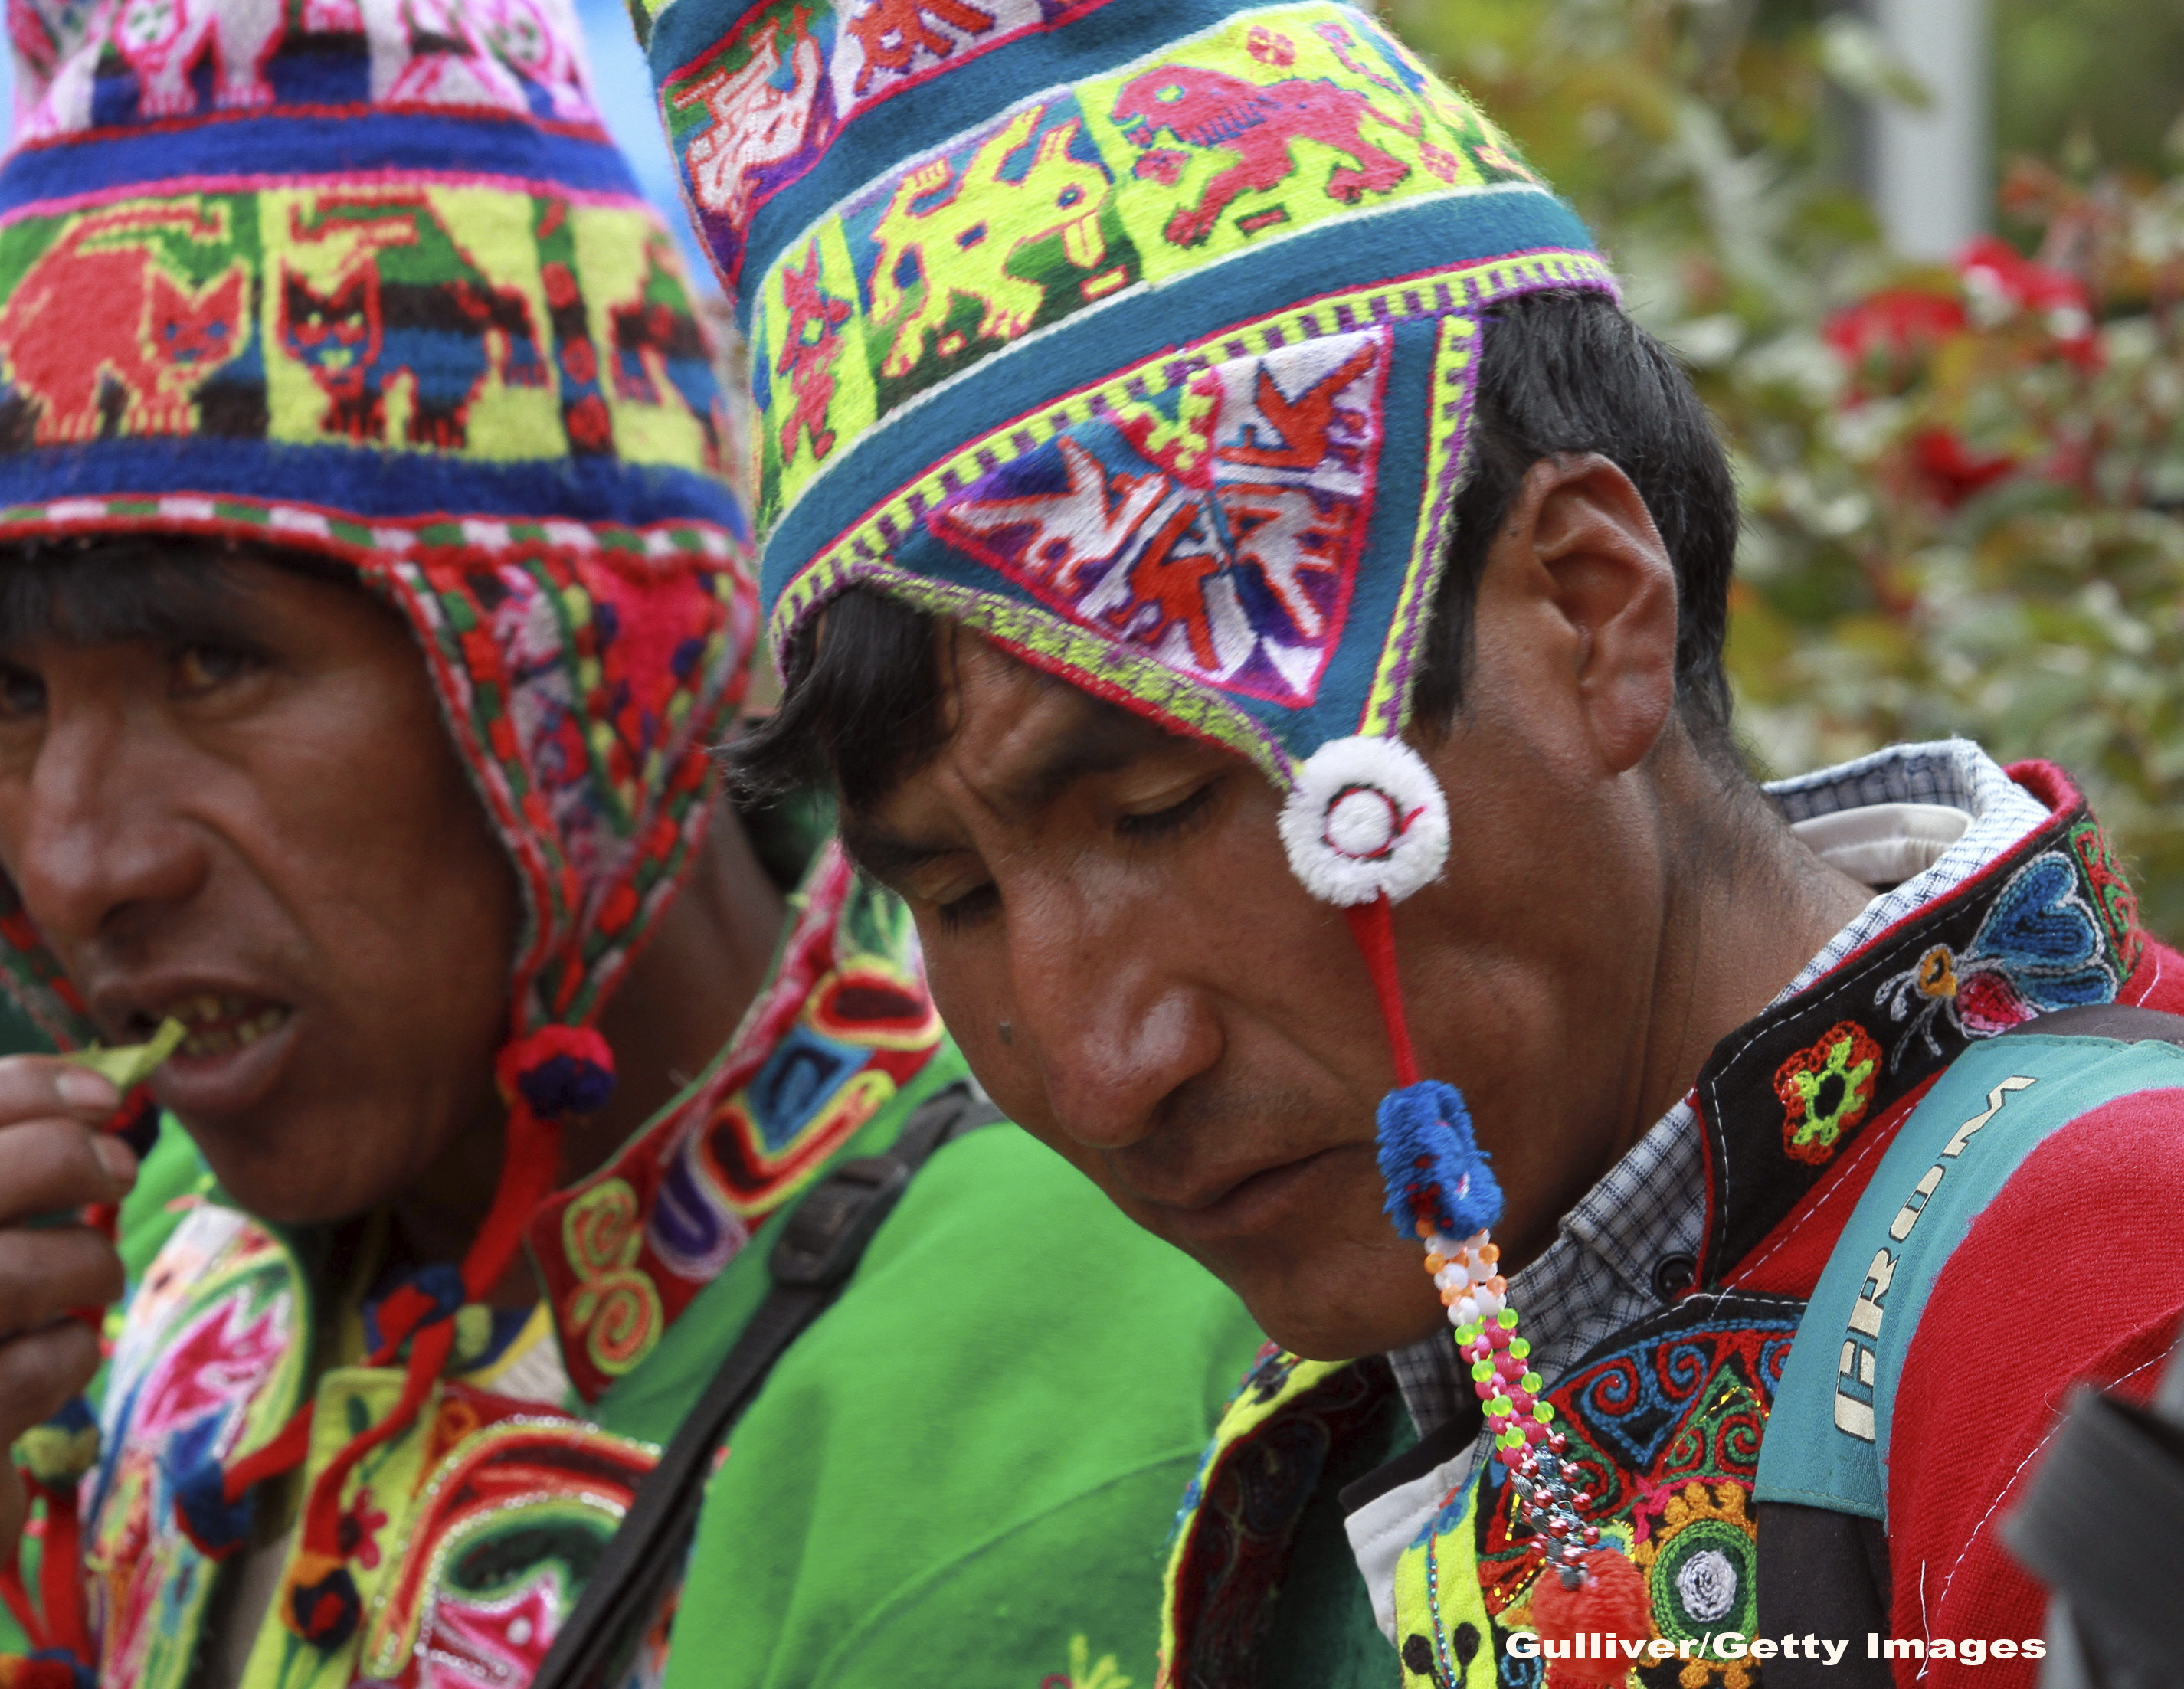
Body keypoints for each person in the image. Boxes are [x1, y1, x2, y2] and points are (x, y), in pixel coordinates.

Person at [0, 5, 1266, 1687]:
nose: (78, 860)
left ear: (579, 680)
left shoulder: (1053, 1330)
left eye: (213, 664)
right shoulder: (106, 1288)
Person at [627, 0, 2184, 1683]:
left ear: (1587, 609)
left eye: (1162, 807)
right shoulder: (1411, 1366)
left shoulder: (2111, 1312)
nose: (1096, 1068)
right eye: (952, 891)